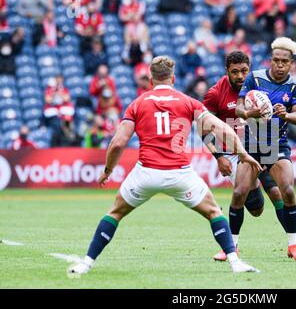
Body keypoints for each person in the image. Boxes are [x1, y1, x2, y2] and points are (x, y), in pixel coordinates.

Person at [68, 56, 261, 275]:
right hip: (179, 174)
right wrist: (244, 155)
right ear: (173, 78)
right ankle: (236, 263)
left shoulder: (138, 103)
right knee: (214, 212)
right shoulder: (188, 102)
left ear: (151, 79)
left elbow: (118, 143)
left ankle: (86, 263)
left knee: (114, 214)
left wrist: (107, 171)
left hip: (146, 173)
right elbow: (222, 130)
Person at [202, 51, 296, 261]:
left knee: (279, 193)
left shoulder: (256, 86)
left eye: (244, 71)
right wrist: (218, 156)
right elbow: (203, 127)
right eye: (235, 72)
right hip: (233, 154)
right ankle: (231, 237)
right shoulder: (216, 93)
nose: (240, 76)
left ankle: (295, 242)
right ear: (227, 72)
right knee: (256, 208)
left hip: (263, 146)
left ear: (249, 70)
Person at [232, 37, 296, 262]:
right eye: (276, 60)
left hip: (276, 143)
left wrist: (285, 114)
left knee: (287, 191)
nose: (279, 65)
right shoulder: (255, 78)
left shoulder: (295, 86)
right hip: (252, 144)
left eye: (284, 61)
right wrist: (248, 113)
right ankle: (231, 247)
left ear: (291, 63)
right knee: (239, 194)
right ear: (271, 60)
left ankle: (293, 245)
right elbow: (237, 108)